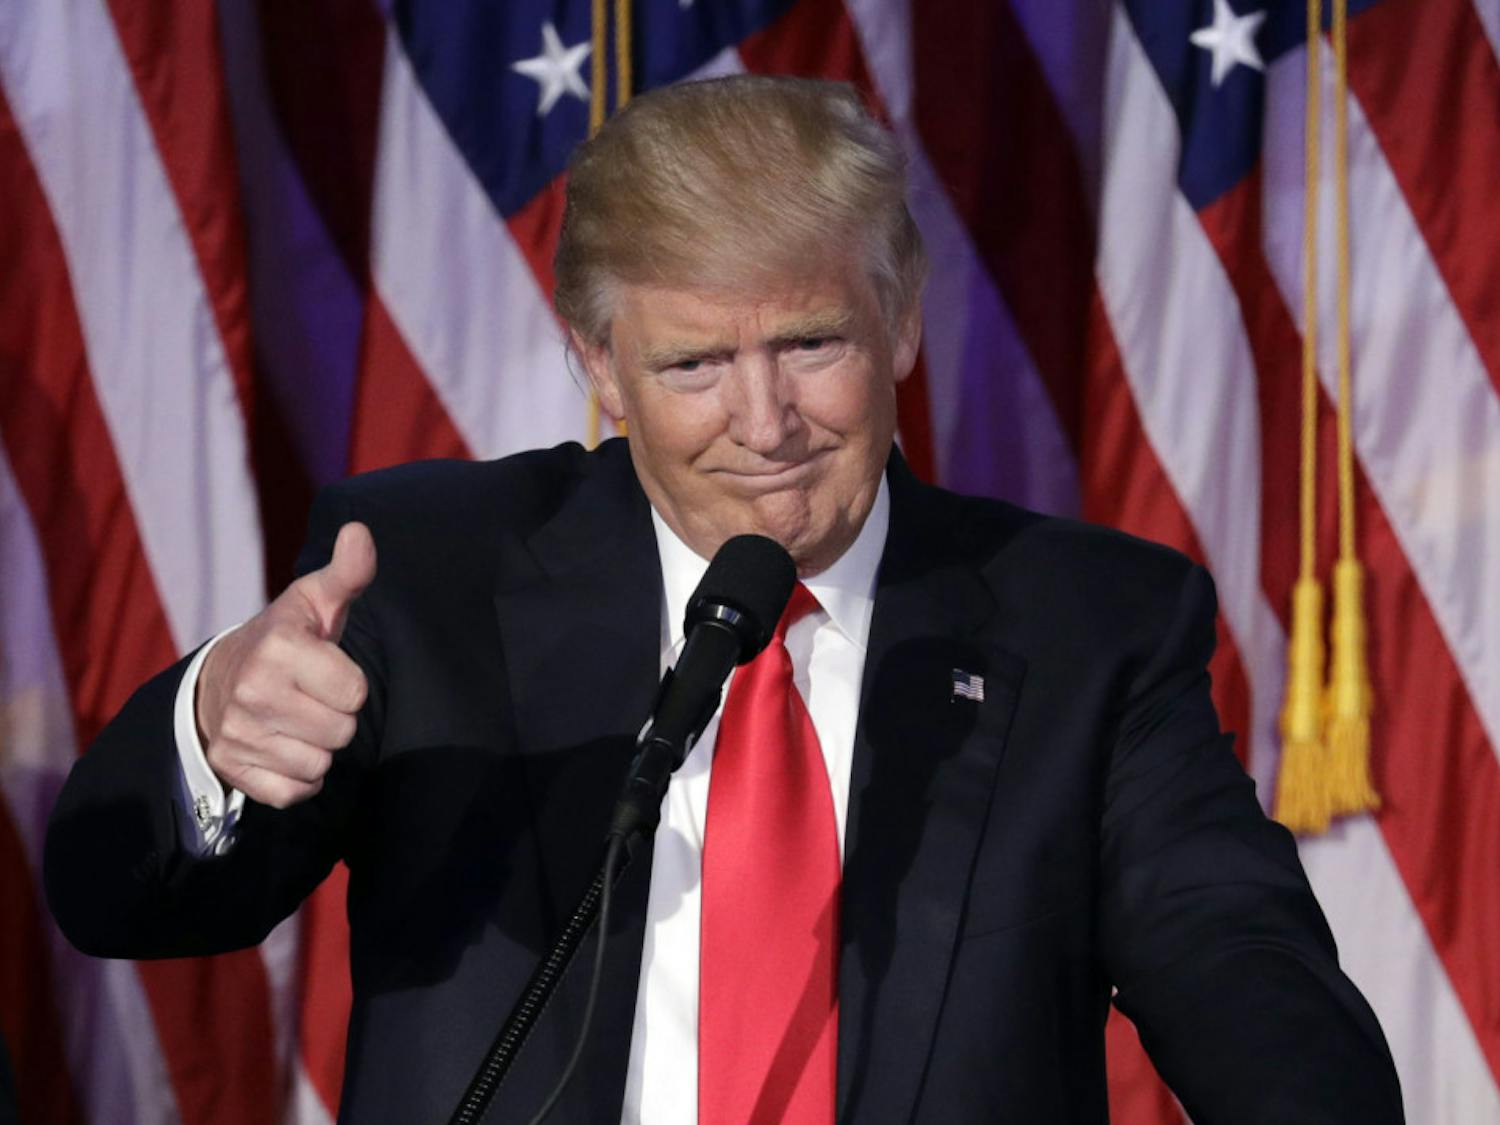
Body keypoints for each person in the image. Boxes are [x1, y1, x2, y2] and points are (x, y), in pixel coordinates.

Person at [45, 76, 1403, 1123]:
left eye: (810, 342)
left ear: (902, 321)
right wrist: (210, 729)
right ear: (599, 361)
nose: (765, 423)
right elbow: (119, 901)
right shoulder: (433, 575)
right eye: (694, 363)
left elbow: (1245, 981)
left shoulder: (1090, 626)